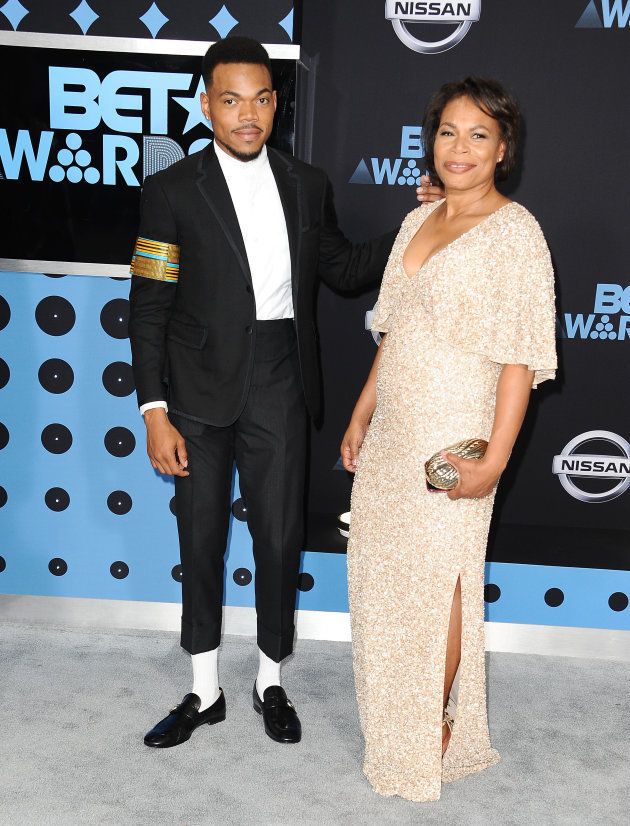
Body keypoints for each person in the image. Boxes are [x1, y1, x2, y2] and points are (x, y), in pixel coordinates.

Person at [128, 36, 441, 749]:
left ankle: (270, 678)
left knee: (278, 539)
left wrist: (418, 221)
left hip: (280, 379)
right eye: (230, 99)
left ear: (276, 103)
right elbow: (147, 307)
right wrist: (154, 411)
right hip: (196, 393)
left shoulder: (308, 183)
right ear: (206, 104)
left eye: (261, 98)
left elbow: (348, 269)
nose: (247, 114)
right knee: (200, 539)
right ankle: (203, 689)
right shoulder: (171, 189)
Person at [341, 77, 557, 801]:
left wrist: (494, 460)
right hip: (396, 424)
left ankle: (427, 723)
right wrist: (362, 413)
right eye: (447, 133)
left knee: (442, 583)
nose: (459, 149)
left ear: (503, 150)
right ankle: (395, 719)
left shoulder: (518, 234)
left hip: (453, 433)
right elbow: (393, 330)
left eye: (478, 136)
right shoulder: (416, 222)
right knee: (382, 582)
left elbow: (521, 359)